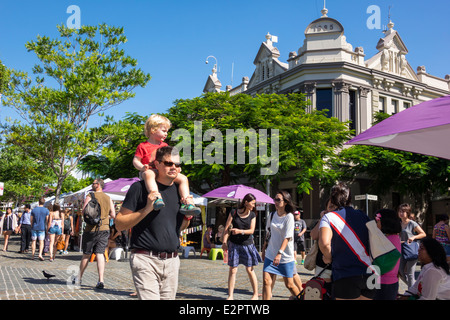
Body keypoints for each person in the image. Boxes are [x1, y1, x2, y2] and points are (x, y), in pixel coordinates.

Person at [115, 146, 192, 300]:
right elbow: (119, 224)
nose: (174, 168)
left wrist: (187, 217)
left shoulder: (180, 191)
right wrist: (146, 209)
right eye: (168, 163)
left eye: (177, 165)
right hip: (145, 260)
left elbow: (180, 228)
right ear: (157, 164)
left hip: (172, 261)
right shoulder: (139, 188)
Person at [132, 114, 200, 216]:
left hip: (164, 172)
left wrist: (176, 167)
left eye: (167, 131)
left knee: (183, 178)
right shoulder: (143, 146)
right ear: (153, 130)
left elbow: (171, 160)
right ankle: (156, 197)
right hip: (151, 171)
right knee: (148, 174)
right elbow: (136, 160)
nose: (166, 134)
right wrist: (142, 167)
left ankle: (187, 202)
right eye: (164, 131)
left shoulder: (165, 146)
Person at [319, 182, 375, 300]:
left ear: (332, 198)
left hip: (345, 273)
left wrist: (328, 257)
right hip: (371, 273)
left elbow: (324, 243)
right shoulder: (362, 215)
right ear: (350, 198)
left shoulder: (329, 217)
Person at [73, 178, 116, 289]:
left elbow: (84, 211)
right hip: (104, 228)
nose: (92, 185)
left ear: (98, 185)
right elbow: (113, 214)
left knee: (86, 254)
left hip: (91, 229)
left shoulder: (90, 196)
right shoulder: (108, 198)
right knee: (100, 253)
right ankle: (100, 281)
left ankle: (79, 278)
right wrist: (105, 218)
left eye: (94, 183)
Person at [222, 193, 262, 300]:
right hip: (234, 244)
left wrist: (240, 231)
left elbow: (252, 230)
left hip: (247, 245)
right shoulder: (233, 212)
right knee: (233, 269)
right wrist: (224, 242)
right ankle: (230, 296)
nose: (254, 206)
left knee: (249, 269)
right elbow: (226, 228)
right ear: (246, 202)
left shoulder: (252, 215)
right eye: (252, 203)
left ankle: (255, 295)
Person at [262, 191, 300, 300]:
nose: (276, 202)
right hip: (270, 254)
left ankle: (301, 298)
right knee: (266, 282)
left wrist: (279, 253)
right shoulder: (272, 215)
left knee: (289, 285)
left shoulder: (289, 217)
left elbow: (287, 237)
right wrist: (264, 249)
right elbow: (268, 233)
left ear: (286, 202)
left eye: (278, 200)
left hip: (284, 257)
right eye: (275, 199)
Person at [373, 209, 402, 300]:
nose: (376, 224)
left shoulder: (388, 240)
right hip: (389, 282)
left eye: (377, 221)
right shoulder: (394, 237)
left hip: (383, 282)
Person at [310, 199, 336, 295]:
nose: (333, 209)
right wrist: (322, 218)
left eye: (335, 207)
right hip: (323, 264)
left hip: (339, 264)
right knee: (322, 293)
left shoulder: (342, 220)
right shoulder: (324, 220)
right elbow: (313, 235)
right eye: (330, 207)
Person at [398, 203, 426, 289]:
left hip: (411, 250)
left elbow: (423, 234)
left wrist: (413, 237)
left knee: (410, 273)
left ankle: (410, 293)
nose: (401, 213)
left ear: (408, 213)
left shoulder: (412, 224)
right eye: (399, 211)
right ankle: (414, 288)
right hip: (401, 250)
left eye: (403, 211)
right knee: (400, 271)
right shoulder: (398, 224)